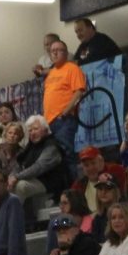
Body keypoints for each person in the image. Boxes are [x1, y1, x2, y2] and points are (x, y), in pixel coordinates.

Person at [42, 40, 86, 176]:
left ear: (66, 53)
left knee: (68, 155)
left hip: (63, 120)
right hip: (49, 122)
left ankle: (73, 189)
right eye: (52, 50)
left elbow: (79, 91)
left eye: (58, 50)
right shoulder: (51, 73)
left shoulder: (72, 68)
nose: (54, 52)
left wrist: (66, 111)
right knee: (56, 159)